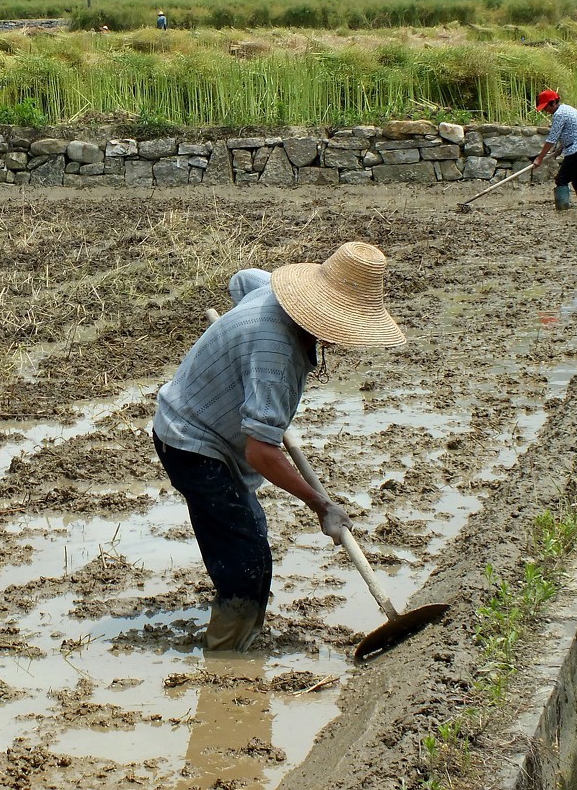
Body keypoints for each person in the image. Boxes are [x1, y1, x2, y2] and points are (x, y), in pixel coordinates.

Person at [153, 242, 405, 651]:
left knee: (248, 534)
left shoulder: (272, 289)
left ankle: (239, 631)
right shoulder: (276, 354)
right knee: (247, 563)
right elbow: (262, 452)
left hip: (209, 430)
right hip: (191, 442)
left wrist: (237, 334)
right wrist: (321, 506)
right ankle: (227, 659)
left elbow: (242, 280)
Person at [532, 89, 577, 209]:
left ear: (553, 103)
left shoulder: (559, 114)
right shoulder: (567, 109)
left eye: (546, 107)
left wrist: (539, 159)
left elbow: (552, 139)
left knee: (561, 179)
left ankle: (563, 209)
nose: (545, 111)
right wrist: (561, 147)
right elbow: (572, 131)